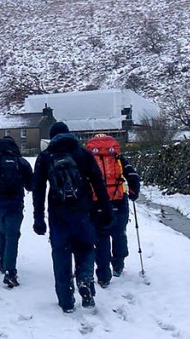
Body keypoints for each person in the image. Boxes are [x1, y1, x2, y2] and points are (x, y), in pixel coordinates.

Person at [32, 122, 112, 313]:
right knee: (86, 248)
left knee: (61, 254)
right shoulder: (83, 154)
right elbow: (98, 183)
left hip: (58, 215)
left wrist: (38, 218)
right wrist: (106, 210)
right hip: (83, 212)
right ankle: (85, 280)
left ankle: (66, 300)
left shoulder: (45, 157)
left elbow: (38, 190)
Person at [0, 135, 34, 288]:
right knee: (12, 236)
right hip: (15, 205)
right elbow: (31, 185)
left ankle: (3, 263)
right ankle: (10, 271)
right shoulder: (21, 162)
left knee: (2, 232)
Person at [86, 134, 141, 286]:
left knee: (101, 238)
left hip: (98, 205)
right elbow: (133, 177)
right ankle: (118, 265)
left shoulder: (89, 162)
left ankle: (103, 276)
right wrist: (133, 193)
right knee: (119, 234)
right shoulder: (118, 159)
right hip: (119, 202)